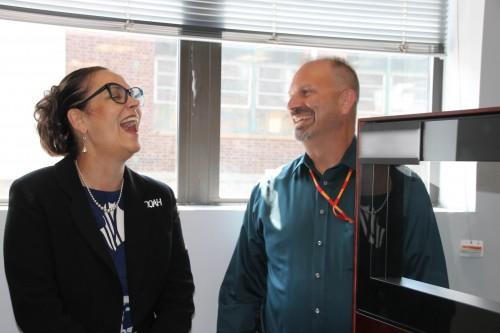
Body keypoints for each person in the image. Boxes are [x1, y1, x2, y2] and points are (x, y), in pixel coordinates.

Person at [217, 58, 448, 332]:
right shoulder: (269, 191)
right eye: (291, 95)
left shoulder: (401, 189)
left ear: (345, 100)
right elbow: (240, 293)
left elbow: (429, 296)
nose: (291, 104)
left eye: (306, 92)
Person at [4, 66, 195, 333]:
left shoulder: (159, 198)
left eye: (132, 94)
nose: (134, 103)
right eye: (116, 94)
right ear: (79, 120)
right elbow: (36, 310)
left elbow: (179, 295)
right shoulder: (34, 196)